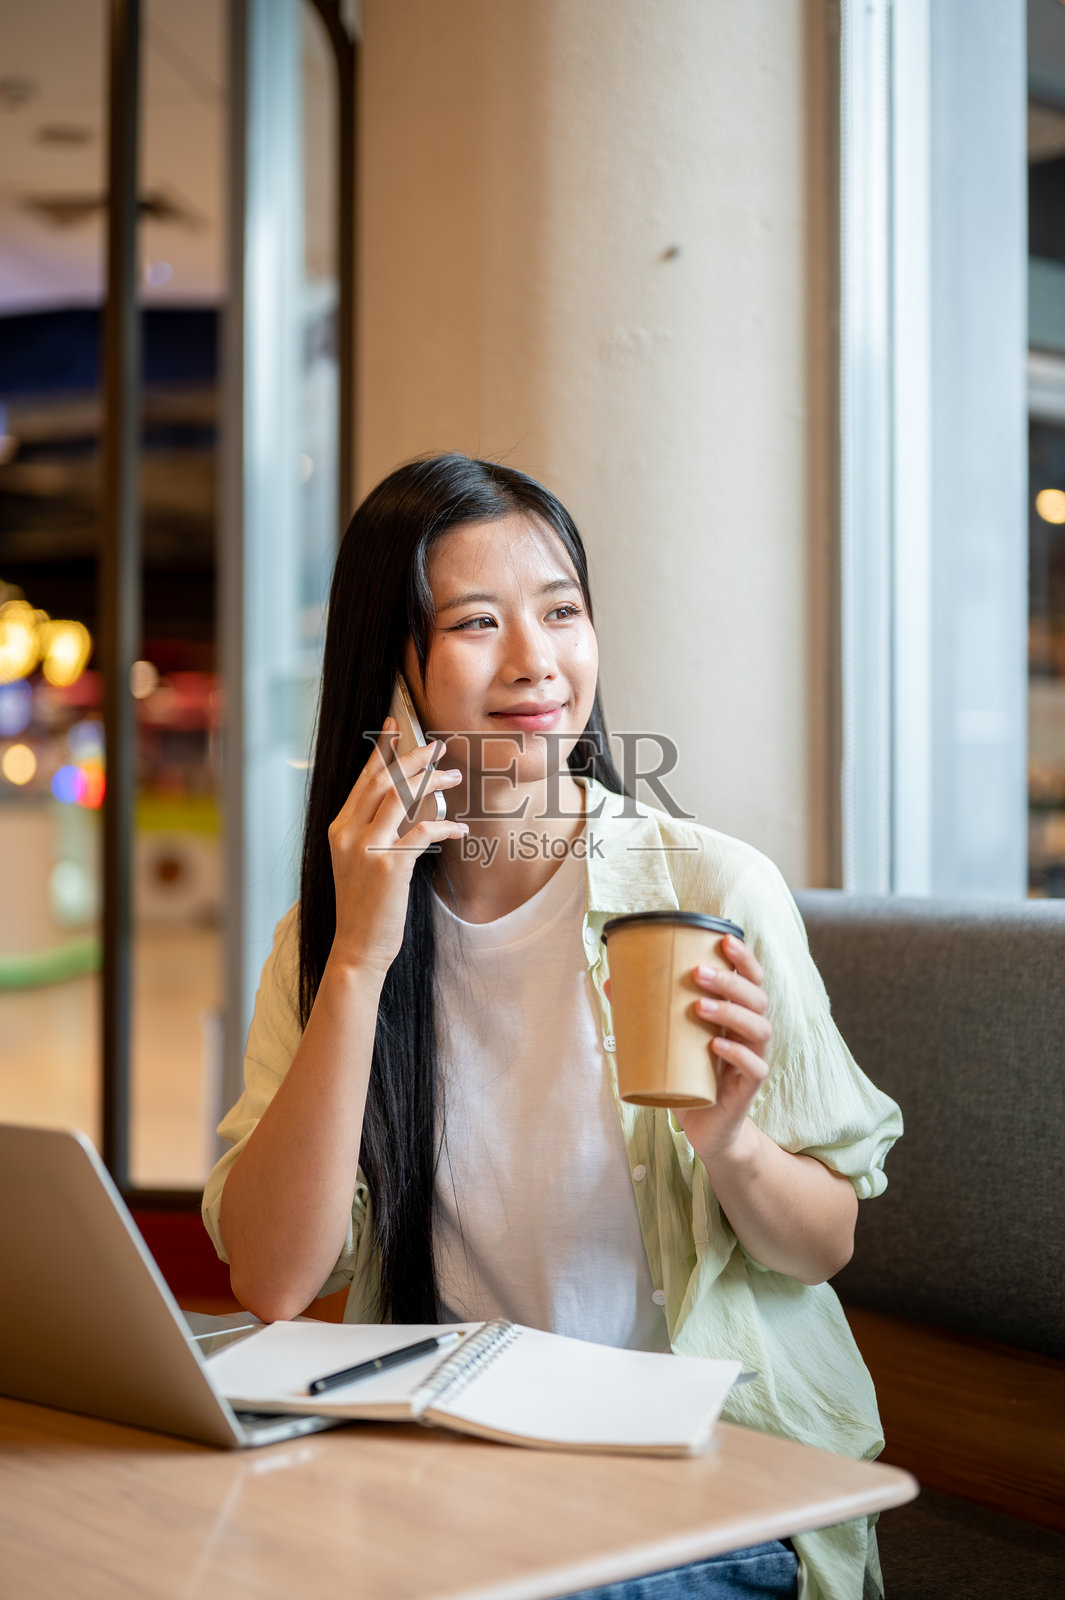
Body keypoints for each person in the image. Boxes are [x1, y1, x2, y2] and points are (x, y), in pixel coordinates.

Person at [203, 454, 902, 1600]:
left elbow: (824, 1245)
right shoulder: (327, 941)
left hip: (713, 1480)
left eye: (563, 611)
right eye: (477, 622)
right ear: (391, 669)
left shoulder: (711, 888)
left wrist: (730, 1142)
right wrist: (362, 958)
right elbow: (275, 1280)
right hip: (450, 1475)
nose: (537, 660)